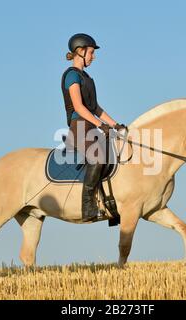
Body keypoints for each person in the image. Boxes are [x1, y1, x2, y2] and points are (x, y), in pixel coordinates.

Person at [61, 33, 126, 222]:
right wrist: (101, 125)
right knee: (97, 159)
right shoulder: (71, 76)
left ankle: (110, 205)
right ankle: (87, 207)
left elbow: (95, 107)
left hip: (91, 126)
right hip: (79, 127)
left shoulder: (86, 76)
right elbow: (79, 107)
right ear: (80, 52)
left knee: (115, 154)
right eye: (91, 52)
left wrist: (115, 125)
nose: (93, 56)